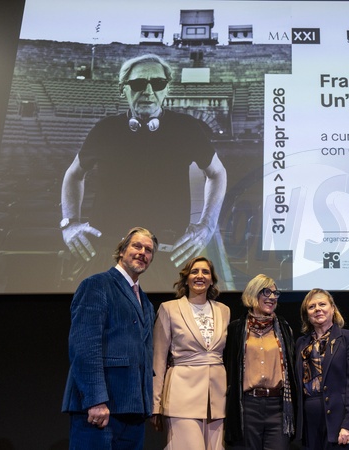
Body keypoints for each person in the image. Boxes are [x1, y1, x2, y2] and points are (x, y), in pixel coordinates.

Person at [60, 53, 227, 289]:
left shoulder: (187, 128)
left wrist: (207, 225)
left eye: (157, 83)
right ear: (123, 89)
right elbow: (74, 174)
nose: (148, 91)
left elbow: (217, 173)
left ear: (166, 89)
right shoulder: (105, 129)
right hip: (107, 254)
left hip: (166, 255)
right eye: (139, 83)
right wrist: (69, 223)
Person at [61, 227, 158, 449]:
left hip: (133, 411)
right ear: (122, 250)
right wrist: (96, 400)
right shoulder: (97, 285)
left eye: (148, 250)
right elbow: (84, 348)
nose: (142, 253)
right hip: (100, 409)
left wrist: (146, 404)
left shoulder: (145, 302)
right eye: (137, 246)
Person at [151, 256, 230, 449]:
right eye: (194, 272)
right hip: (182, 395)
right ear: (186, 279)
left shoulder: (224, 310)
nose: (200, 276)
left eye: (205, 272)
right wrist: (155, 405)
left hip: (216, 399)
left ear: (212, 279)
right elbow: (159, 359)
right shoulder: (169, 309)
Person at [223, 274, 297, 450]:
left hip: (278, 407)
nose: (272, 297)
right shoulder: (236, 329)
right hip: (248, 406)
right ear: (252, 294)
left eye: (275, 293)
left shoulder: (284, 328)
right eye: (266, 292)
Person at [295, 288, 349, 449]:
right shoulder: (301, 343)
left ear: (333, 308)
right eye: (311, 306)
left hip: (339, 420)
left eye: (322, 304)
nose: (317, 309)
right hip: (309, 422)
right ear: (306, 314)